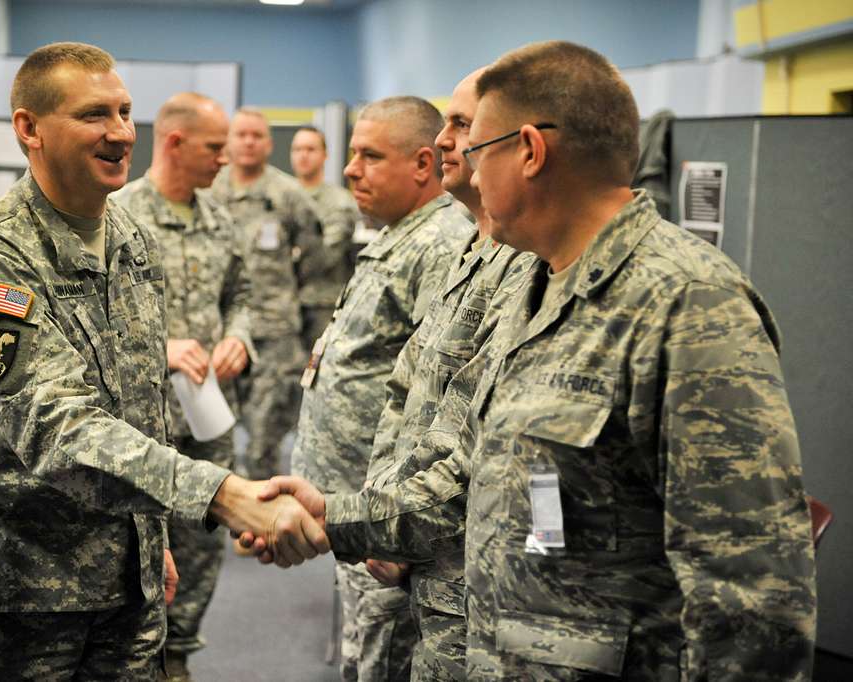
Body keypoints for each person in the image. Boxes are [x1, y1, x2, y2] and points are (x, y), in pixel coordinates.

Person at [257, 41, 817, 680]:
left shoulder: (688, 304)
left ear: (528, 151)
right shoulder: (531, 287)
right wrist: (338, 516)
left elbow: (751, 593)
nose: (460, 165)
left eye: (475, 147)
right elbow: (464, 475)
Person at [0, 42, 328, 681]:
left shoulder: (131, 241)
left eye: (126, 112)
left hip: (123, 586)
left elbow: (138, 403)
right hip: (9, 594)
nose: (121, 133)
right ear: (29, 129)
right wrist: (222, 495)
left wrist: (148, 541)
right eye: (95, 115)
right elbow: (51, 423)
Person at [290, 96, 475, 682]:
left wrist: (387, 517)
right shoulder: (403, 234)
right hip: (353, 507)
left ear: (424, 165)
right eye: (351, 155)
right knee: (362, 651)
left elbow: (436, 400)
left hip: (384, 514)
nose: (350, 170)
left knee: (380, 656)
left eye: (369, 156)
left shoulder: (441, 243)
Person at [360, 69, 527, 682]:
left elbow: (475, 447)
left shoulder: (527, 264)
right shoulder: (471, 250)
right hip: (418, 551)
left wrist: (372, 524)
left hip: (467, 579)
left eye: (463, 125)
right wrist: (378, 509)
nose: (447, 141)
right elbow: (406, 397)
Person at [113, 92, 252, 682]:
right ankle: (133, 659)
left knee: (201, 546)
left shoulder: (221, 218)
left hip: (210, 417)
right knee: (138, 544)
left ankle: (177, 658)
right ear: (174, 143)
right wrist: (160, 349)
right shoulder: (118, 215)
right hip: (140, 424)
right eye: (215, 147)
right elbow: (93, 321)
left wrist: (239, 338)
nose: (226, 159)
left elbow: (239, 297)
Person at [209, 109, 323, 481]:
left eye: (257, 136)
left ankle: (257, 527)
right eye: (240, 134)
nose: (248, 142)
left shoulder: (288, 194)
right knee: (211, 436)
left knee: (264, 441)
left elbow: (313, 254)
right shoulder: (210, 190)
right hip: (219, 333)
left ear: (269, 144)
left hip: (274, 333)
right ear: (228, 141)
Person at [289, 125, 361, 351]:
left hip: (321, 305)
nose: (303, 155)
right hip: (283, 307)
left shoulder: (339, 202)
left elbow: (326, 255)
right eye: (297, 149)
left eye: (310, 149)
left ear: (324, 155)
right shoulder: (282, 197)